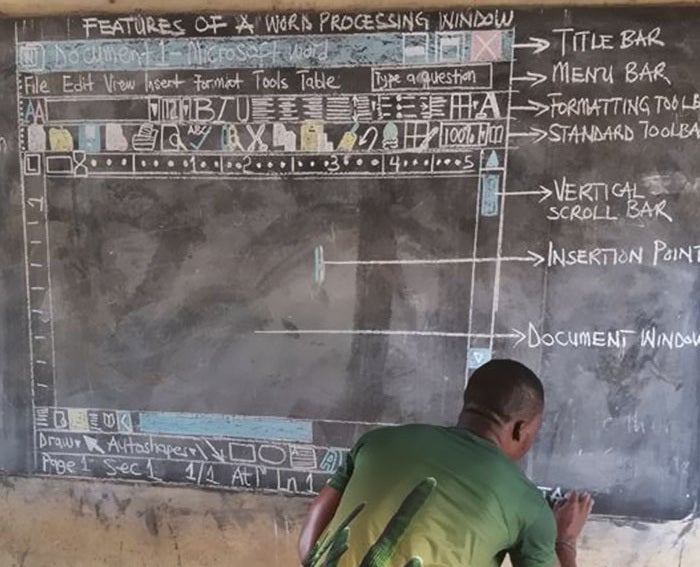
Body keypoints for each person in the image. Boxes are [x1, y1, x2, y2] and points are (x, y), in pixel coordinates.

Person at [298, 358, 593, 567]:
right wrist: (565, 540)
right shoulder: (528, 504)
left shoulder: (376, 441)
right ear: (520, 429)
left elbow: (310, 542)